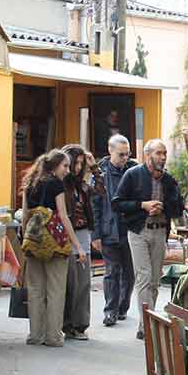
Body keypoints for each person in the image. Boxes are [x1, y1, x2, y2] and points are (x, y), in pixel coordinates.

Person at [112, 139, 183, 340]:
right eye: (158, 153)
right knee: (143, 276)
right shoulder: (132, 175)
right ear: (147, 155)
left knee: (154, 280)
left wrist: (164, 206)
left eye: (164, 153)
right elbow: (117, 203)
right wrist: (142, 205)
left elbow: (178, 209)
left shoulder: (169, 180)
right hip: (138, 231)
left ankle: (148, 319)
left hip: (160, 231)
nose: (162, 157)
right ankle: (147, 325)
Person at [21, 150, 87, 347]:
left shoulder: (30, 183)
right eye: (65, 166)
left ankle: (35, 335)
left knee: (35, 290)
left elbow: (25, 216)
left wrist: (27, 239)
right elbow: (63, 216)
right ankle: (53, 336)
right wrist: (77, 246)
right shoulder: (56, 184)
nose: (67, 170)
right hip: (55, 243)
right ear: (54, 166)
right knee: (56, 289)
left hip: (33, 240)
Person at [92, 135, 138, 327]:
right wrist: (95, 234)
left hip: (130, 228)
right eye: (121, 154)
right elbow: (95, 205)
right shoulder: (100, 174)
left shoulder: (135, 170)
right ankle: (110, 310)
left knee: (129, 272)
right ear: (110, 151)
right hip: (109, 228)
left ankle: (122, 308)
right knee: (112, 271)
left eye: (127, 154)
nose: (124, 158)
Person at [61, 144, 104, 341]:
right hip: (66, 235)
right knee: (69, 282)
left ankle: (79, 325)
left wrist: (94, 167)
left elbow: (102, 191)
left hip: (83, 234)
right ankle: (66, 324)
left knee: (83, 282)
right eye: (74, 163)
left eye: (80, 163)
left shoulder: (83, 186)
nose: (78, 167)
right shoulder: (61, 184)